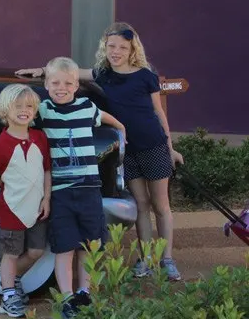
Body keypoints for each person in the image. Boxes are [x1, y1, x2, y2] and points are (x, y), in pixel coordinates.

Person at [0, 58, 126, 318]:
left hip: (90, 187)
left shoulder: (86, 106)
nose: (61, 87)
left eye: (68, 83)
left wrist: (120, 126)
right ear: (46, 84)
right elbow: (10, 108)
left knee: (89, 245)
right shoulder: (43, 110)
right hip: (62, 190)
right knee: (65, 245)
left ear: (76, 85)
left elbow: (104, 117)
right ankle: (67, 297)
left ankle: (85, 293)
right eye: (55, 82)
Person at [15, 22, 185, 281]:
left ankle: (168, 259)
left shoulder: (145, 74)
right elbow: (73, 73)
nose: (116, 51)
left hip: (154, 145)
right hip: (128, 149)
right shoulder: (103, 73)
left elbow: (158, 112)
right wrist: (40, 71)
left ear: (132, 49)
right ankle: (147, 258)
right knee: (140, 204)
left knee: (161, 205)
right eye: (111, 46)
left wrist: (170, 148)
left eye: (122, 47)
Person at [0, 83, 52, 318]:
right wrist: (5, 183)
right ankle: (8, 295)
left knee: (37, 251)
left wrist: (46, 198)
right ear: (5, 111)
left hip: (38, 208)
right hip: (11, 209)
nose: (24, 110)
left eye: (29, 106)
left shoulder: (39, 138)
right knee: (10, 253)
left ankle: (11, 280)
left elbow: (47, 170)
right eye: (17, 106)